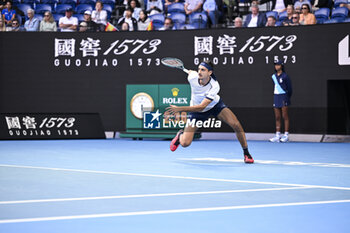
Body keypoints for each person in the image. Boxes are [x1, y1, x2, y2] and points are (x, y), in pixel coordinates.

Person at [167, 60, 254, 164]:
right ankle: (180, 134)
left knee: (236, 124)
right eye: (198, 69)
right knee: (185, 143)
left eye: (203, 70)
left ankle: (246, 153)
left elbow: (202, 106)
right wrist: (192, 72)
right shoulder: (192, 77)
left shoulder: (215, 86)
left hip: (214, 106)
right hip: (196, 111)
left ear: (210, 73)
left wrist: (180, 109)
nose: (199, 72)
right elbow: (191, 73)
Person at [269, 60, 292, 143]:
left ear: (281, 66)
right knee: (277, 117)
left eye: (278, 65)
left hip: (284, 97)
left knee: (285, 116)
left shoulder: (285, 76)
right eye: (275, 65)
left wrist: (286, 97)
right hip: (276, 97)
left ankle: (286, 135)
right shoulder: (273, 76)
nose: (276, 66)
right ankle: (277, 135)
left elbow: (290, 89)